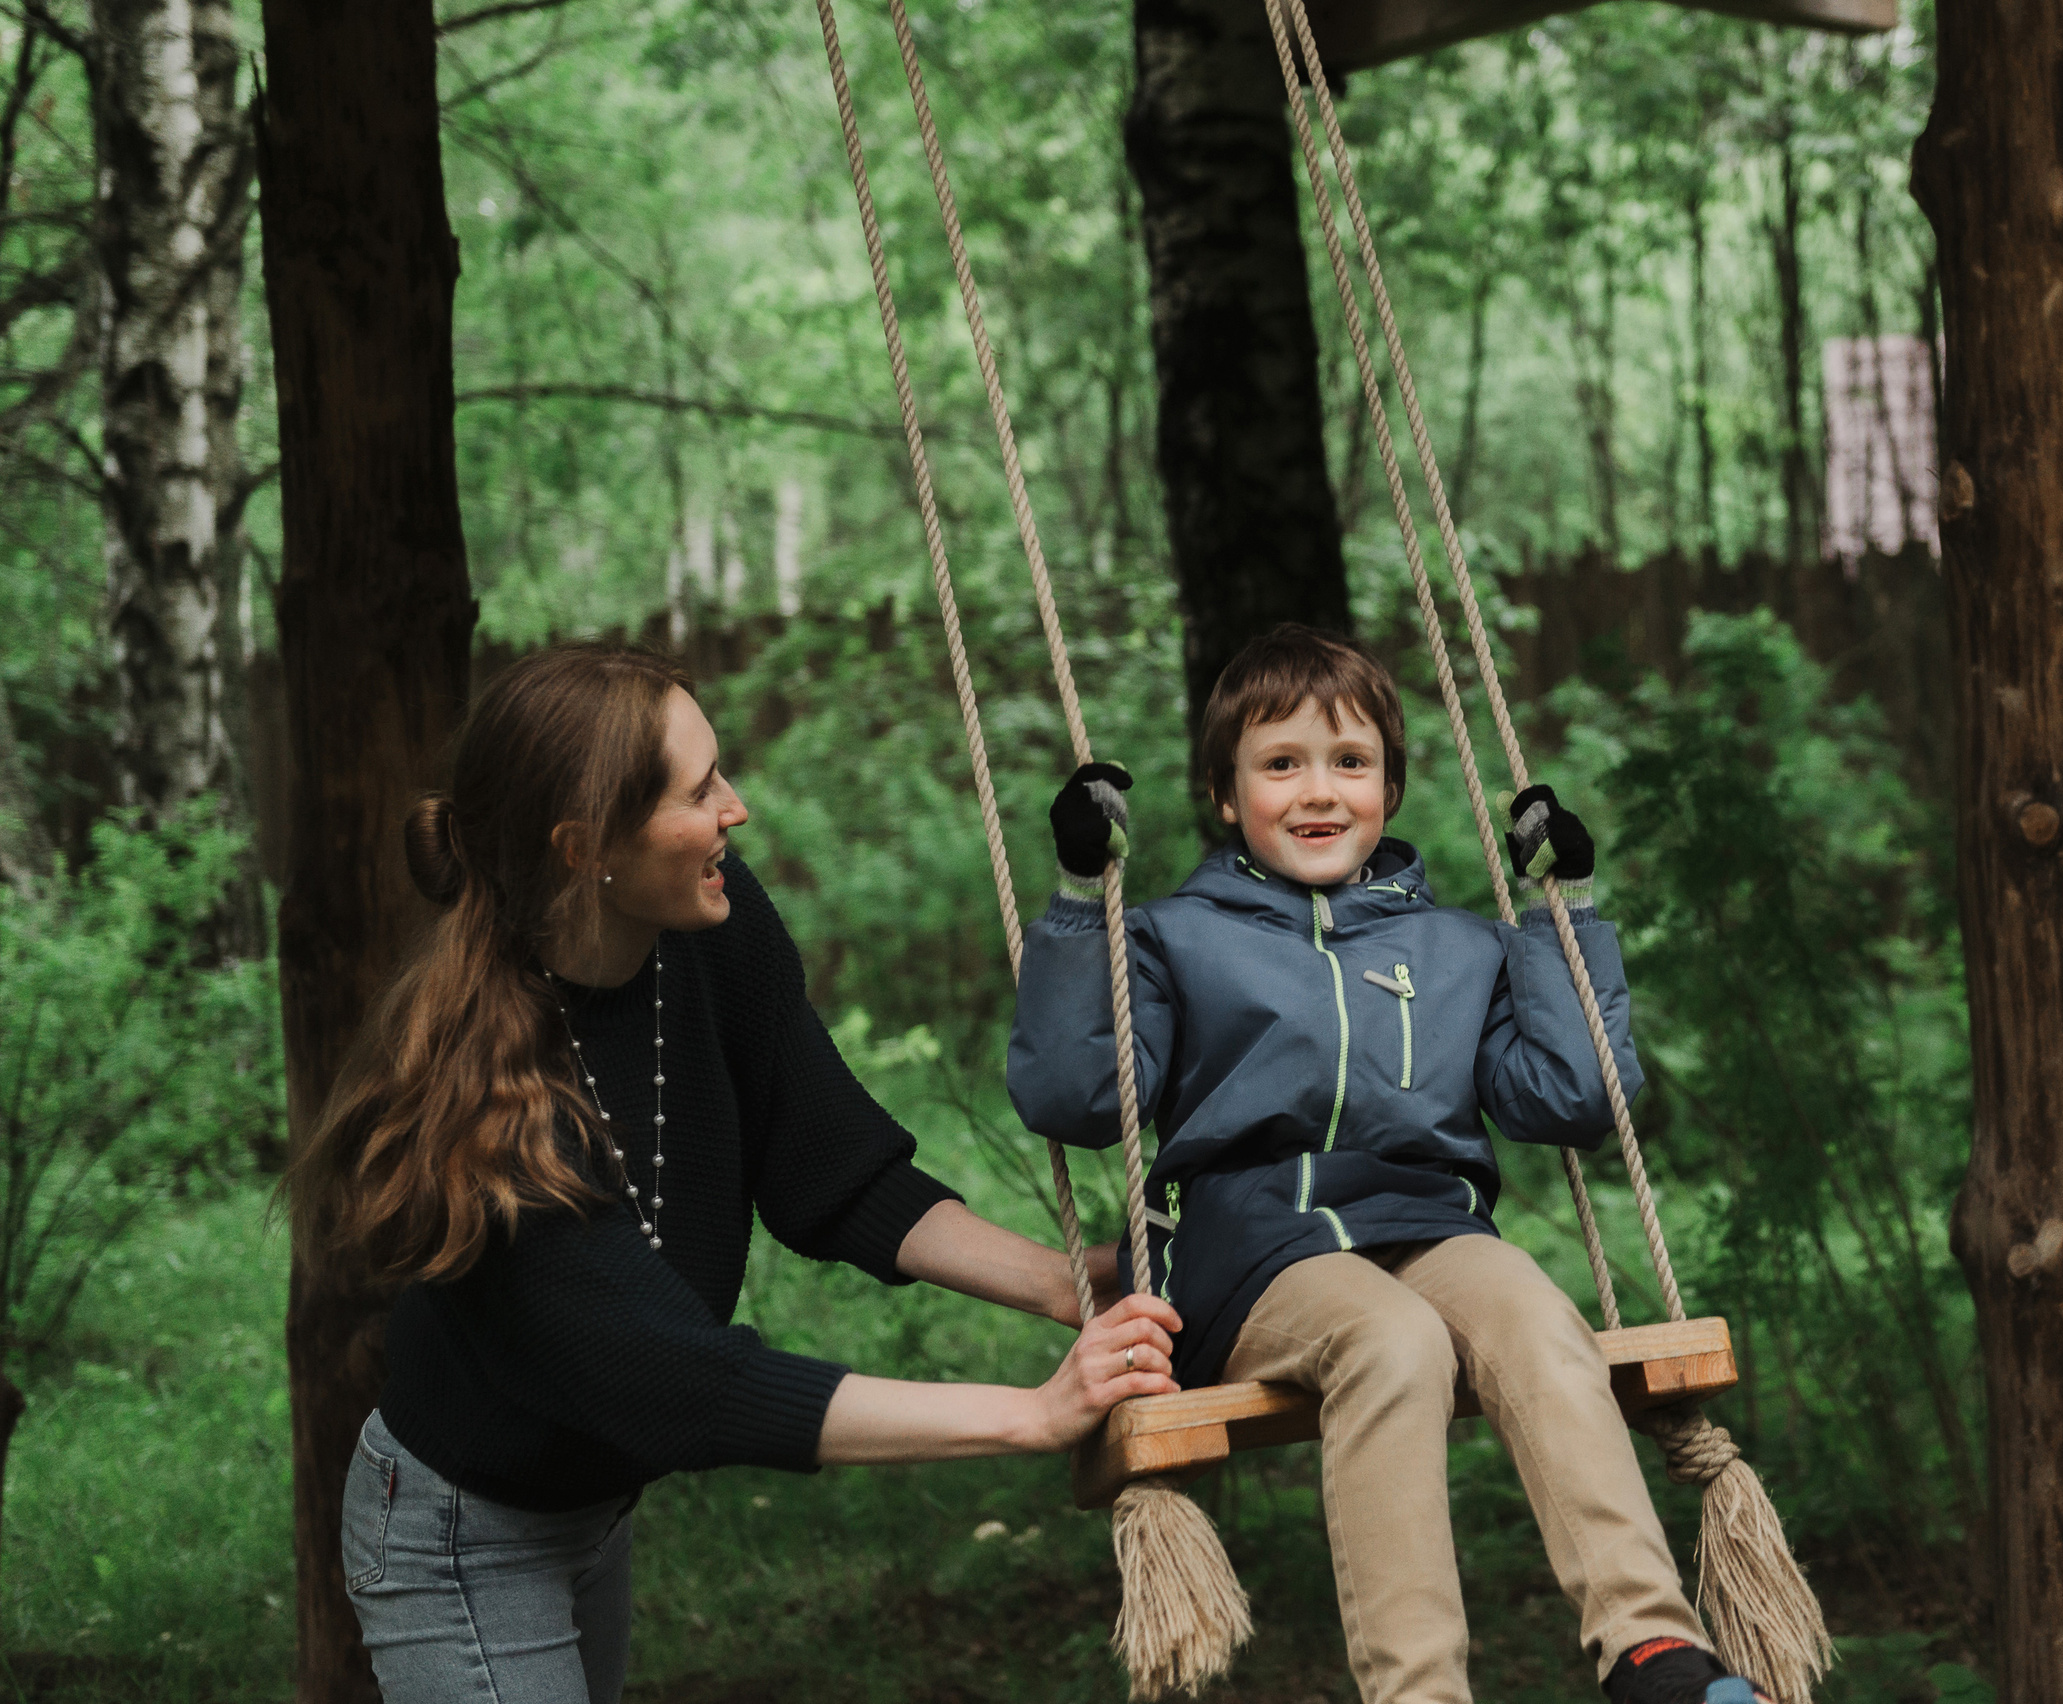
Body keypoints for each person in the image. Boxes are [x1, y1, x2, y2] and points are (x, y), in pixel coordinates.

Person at [286, 643, 1178, 1704]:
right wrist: (1030, 1415)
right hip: (465, 1536)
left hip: (593, 1502)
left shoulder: (709, 922)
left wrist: (1061, 1278)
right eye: (699, 790)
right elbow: (692, 1388)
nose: (737, 809)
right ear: (586, 849)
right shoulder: (482, 1120)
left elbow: (831, 1167)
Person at [1008, 625, 1768, 1704]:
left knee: (1539, 1318)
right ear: (1225, 796)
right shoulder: (1172, 939)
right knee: (1392, 1339)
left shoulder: (1459, 948)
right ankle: (1417, 1692)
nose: (1317, 791)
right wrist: (1084, 898)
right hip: (1253, 1251)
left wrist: (1565, 918)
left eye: (1348, 762)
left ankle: (1653, 1654)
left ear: (1391, 787)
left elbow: (1572, 1095)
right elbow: (1072, 1096)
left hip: (1432, 1227)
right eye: (1280, 764)